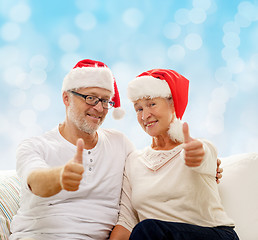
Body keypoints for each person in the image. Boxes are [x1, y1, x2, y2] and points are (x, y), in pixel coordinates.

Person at [10, 59, 135, 240]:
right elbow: (35, 181)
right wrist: (60, 177)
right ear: (66, 98)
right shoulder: (35, 146)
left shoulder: (120, 144)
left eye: (106, 101)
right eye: (91, 98)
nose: (99, 108)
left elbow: (129, 212)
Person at [110, 69, 239, 240]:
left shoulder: (197, 147)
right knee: (146, 230)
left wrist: (197, 155)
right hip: (155, 236)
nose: (145, 115)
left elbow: (204, 157)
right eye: (138, 109)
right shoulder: (134, 161)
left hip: (213, 235)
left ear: (173, 104)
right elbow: (126, 222)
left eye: (152, 104)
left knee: (148, 229)